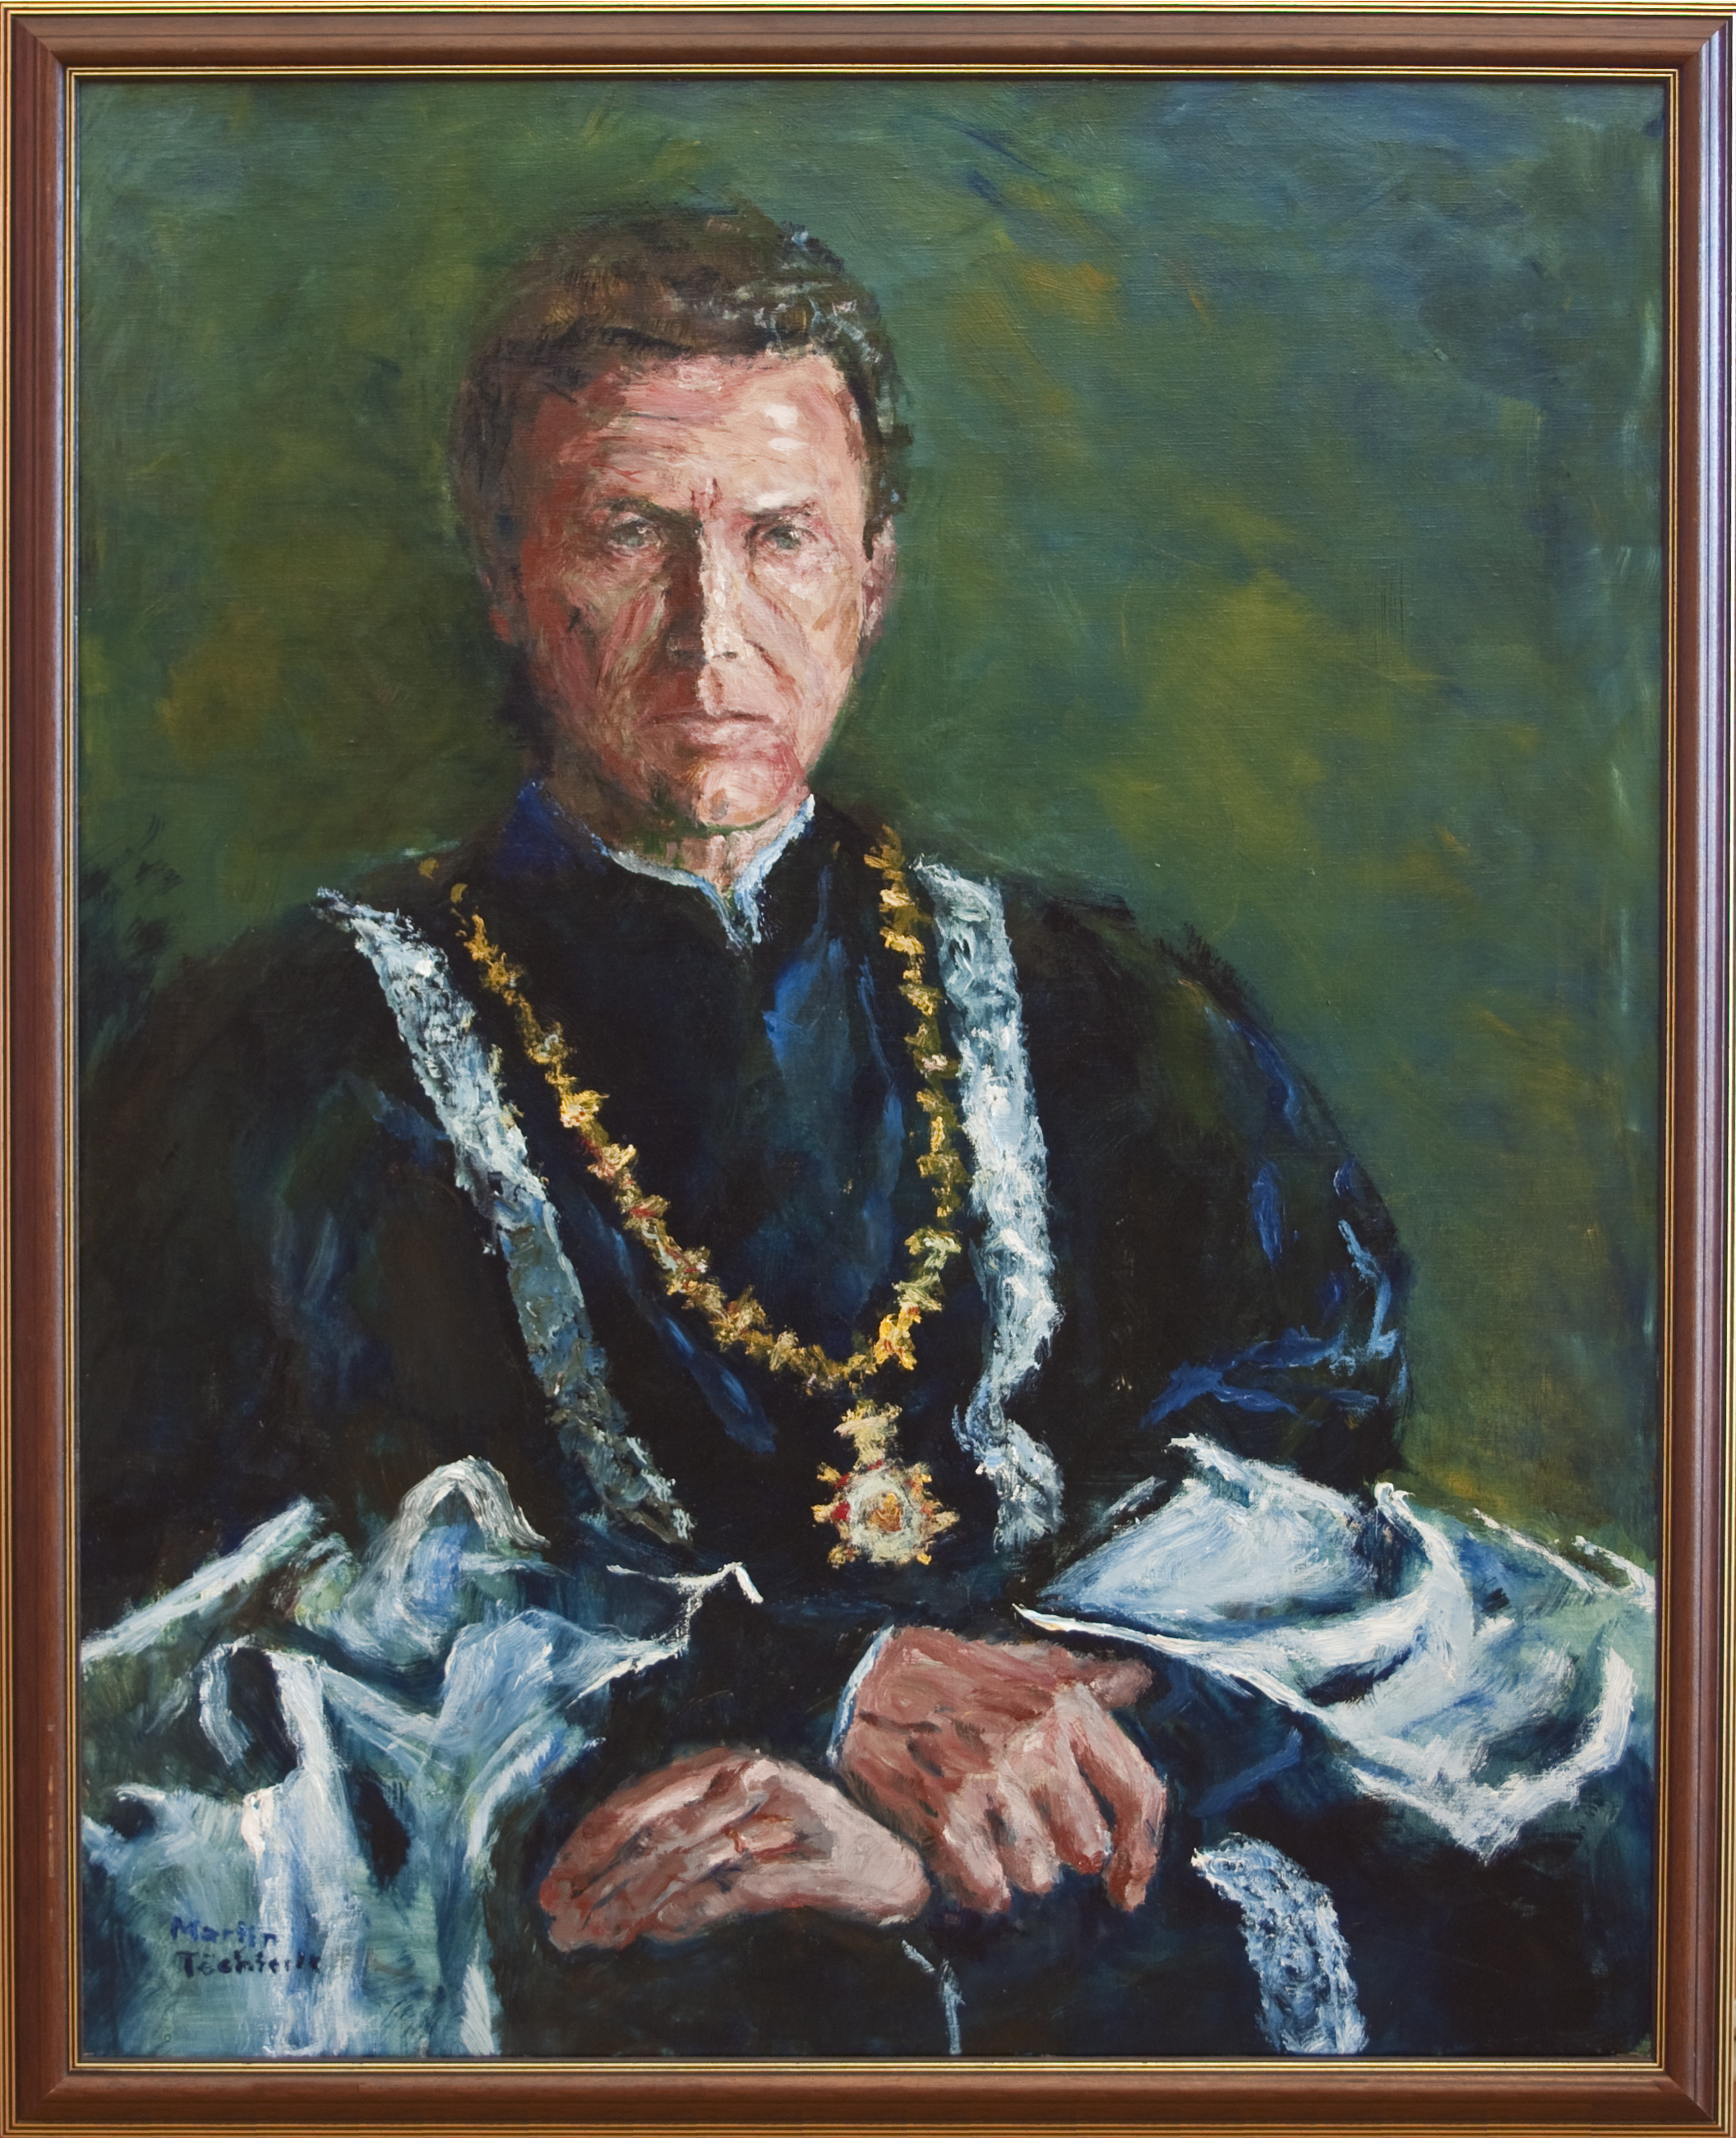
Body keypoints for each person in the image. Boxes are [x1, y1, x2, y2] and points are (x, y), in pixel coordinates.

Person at [78, 208, 1650, 2062]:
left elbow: (1304, 1494)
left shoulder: (1105, 1012)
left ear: (873, 577)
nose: (712, 631)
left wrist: (965, 1802)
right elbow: (215, 1620)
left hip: (1067, 1826)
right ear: (506, 575)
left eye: (780, 538)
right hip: (593, 1851)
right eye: (628, 535)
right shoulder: (283, 1056)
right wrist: (804, 1696)